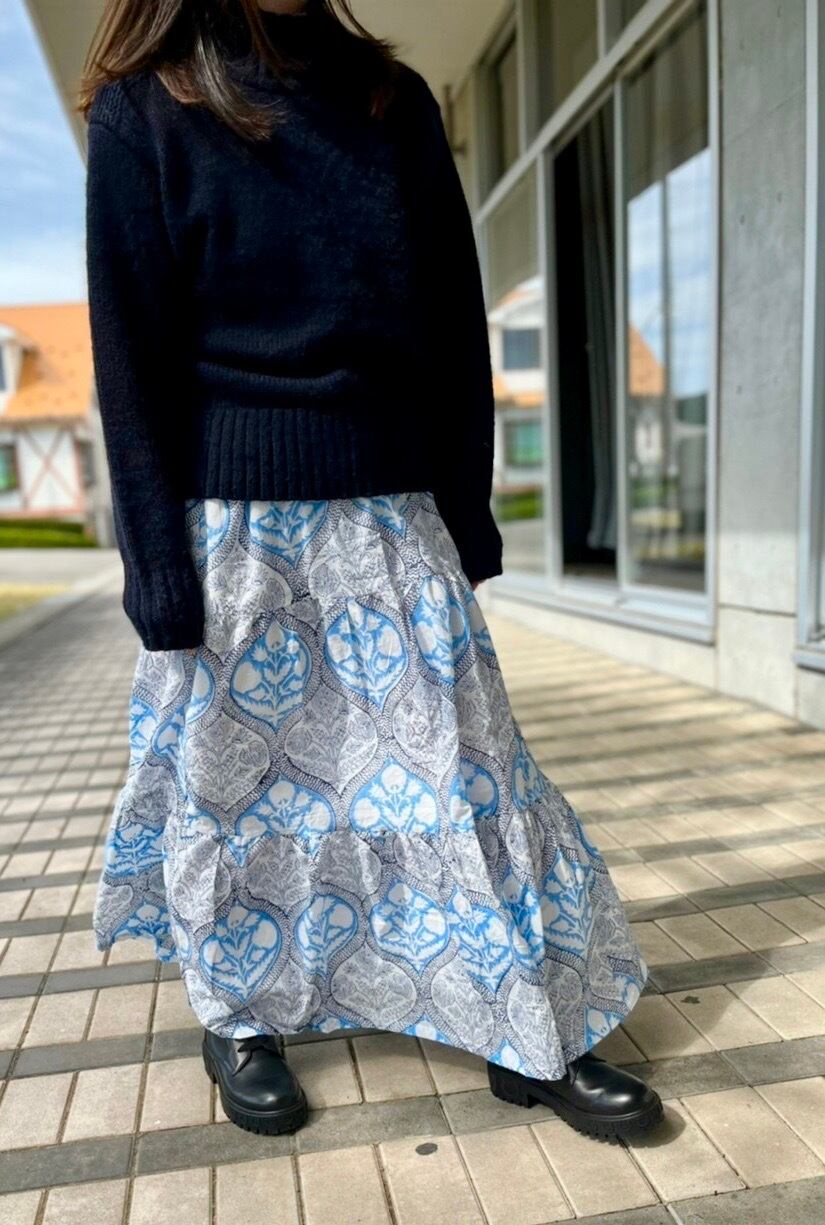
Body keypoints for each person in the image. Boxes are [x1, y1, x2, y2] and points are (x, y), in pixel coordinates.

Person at [80, 0, 662, 1142]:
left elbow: (452, 330)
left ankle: (528, 1021)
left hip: (393, 516)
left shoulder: (390, 103)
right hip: (233, 535)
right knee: (235, 795)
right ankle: (238, 1013)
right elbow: (128, 360)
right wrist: (156, 569)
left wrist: (465, 517)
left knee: (467, 783)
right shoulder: (147, 109)